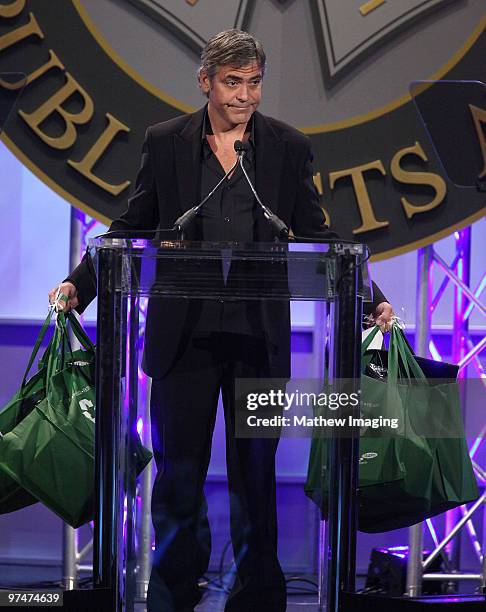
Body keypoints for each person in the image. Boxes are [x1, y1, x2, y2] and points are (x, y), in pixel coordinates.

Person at [49, 29, 394, 612]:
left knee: (254, 477)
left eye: (253, 82)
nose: (245, 96)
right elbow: (135, 222)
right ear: (206, 81)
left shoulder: (285, 146)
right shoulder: (167, 143)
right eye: (233, 82)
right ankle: (175, 590)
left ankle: (257, 596)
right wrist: (79, 284)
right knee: (180, 475)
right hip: (183, 337)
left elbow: (315, 231)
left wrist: (370, 295)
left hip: (257, 337)